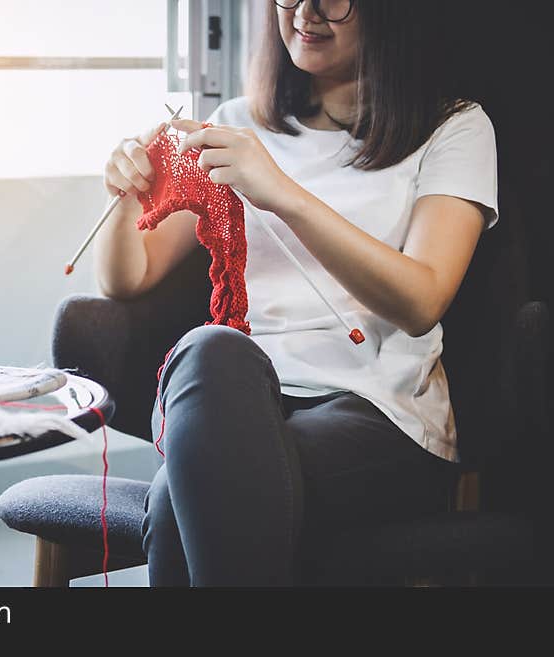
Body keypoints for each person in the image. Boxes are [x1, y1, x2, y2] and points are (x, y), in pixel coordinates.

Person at [93, 0, 498, 586]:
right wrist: (126, 189)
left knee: (182, 498)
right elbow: (127, 278)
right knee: (210, 349)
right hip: (241, 399)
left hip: (381, 409)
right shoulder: (238, 122)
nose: (306, 13)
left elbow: (422, 300)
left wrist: (280, 191)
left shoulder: (454, 126)